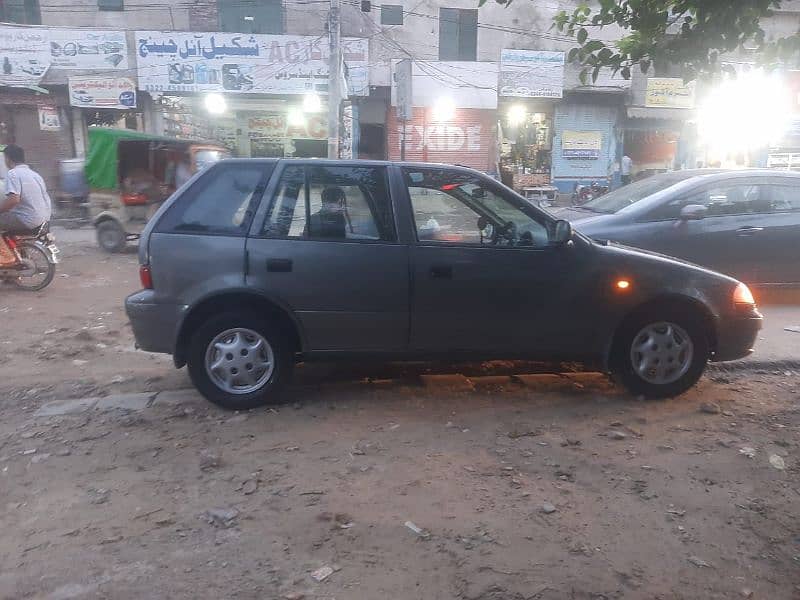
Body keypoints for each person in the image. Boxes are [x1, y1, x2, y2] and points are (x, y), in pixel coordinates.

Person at [0, 145, 52, 264]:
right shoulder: (34, 174)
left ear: (8, 159)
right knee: (10, 222)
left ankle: (7, 258)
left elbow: (14, 200)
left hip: (29, 220)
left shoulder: (13, 174)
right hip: (44, 219)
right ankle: (19, 257)